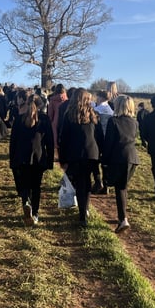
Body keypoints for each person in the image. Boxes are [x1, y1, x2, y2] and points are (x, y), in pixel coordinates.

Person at [9, 90, 54, 225]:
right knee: (36, 186)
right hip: (38, 157)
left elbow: (13, 141)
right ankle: (35, 214)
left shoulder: (19, 119)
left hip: (22, 156)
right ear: (41, 105)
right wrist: (50, 161)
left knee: (24, 184)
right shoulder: (44, 119)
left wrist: (12, 159)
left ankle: (26, 202)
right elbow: (50, 142)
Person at [58, 88, 101, 227]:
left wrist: (62, 158)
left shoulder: (69, 115)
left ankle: (82, 214)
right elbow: (99, 136)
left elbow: (63, 138)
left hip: (75, 154)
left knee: (79, 183)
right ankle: (85, 209)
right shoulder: (94, 115)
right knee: (86, 183)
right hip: (91, 153)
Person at [101, 95, 140, 233]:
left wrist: (104, 161)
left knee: (120, 188)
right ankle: (122, 216)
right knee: (123, 187)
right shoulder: (134, 123)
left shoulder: (114, 121)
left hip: (118, 158)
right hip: (133, 158)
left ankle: (123, 219)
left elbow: (109, 143)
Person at [91, 89, 114, 194]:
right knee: (105, 163)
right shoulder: (110, 110)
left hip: (97, 138)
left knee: (95, 161)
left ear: (101, 97)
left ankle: (97, 181)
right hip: (108, 138)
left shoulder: (97, 109)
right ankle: (106, 185)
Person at [47, 84, 68, 154]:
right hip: (65, 120)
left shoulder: (52, 100)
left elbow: (50, 114)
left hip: (55, 121)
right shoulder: (67, 99)